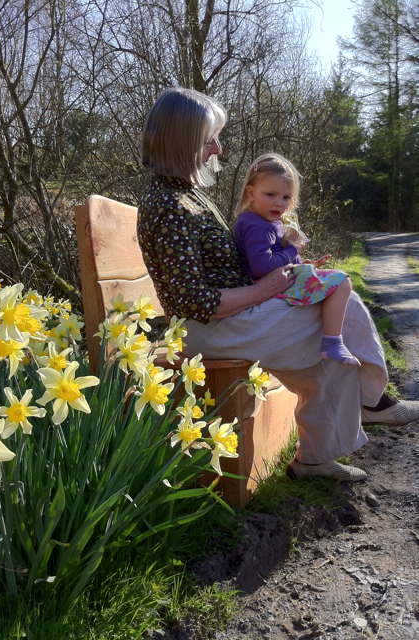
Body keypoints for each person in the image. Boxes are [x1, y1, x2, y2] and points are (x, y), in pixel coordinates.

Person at [137, 87, 419, 482]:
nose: (217, 149)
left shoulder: (186, 196)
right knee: (337, 313)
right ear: (183, 141)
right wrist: (268, 289)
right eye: (209, 139)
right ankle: (372, 404)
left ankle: (327, 448)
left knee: (331, 320)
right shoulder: (169, 206)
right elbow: (193, 301)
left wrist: (286, 269)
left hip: (232, 316)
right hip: (210, 328)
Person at [233, 153, 359, 367]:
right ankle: (332, 342)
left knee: (335, 284)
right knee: (341, 281)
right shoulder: (257, 226)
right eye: (270, 194)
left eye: (286, 197)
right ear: (251, 193)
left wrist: (303, 264)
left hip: (272, 283)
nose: (278, 203)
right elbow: (262, 266)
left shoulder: (263, 221)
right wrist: (292, 250)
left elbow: (273, 258)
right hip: (265, 289)